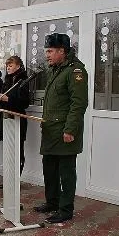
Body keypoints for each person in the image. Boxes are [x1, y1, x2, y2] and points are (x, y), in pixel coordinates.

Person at [33, 33, 88, 224]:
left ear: (62, 51)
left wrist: (70, 130)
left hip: (64, 130)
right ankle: (52, 202)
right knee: (49, 169)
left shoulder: (75, 71)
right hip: (50, 130)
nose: (46, 55)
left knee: (66, 172)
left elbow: (78, 103)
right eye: (46, 51)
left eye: (50, 51)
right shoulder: (55, 70)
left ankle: (65, 209)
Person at [0, 56, 29, 189]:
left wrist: (7, 99)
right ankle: (9, 178)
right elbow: (5, 98)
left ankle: (15, 180)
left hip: (17, 119)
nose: (8, 67)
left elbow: (24, 102)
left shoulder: (22, 80)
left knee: (17, 151)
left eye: (11, 65)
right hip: (6, 118)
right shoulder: (7, 80)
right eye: (7, 65)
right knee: (8, 151)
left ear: (18, 66)